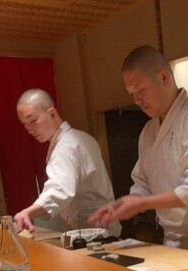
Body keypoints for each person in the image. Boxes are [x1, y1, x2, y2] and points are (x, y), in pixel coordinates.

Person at [89, 45, 188, 257]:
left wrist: (142, 203)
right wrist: (126, 204)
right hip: (170, 239)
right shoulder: (149, 131)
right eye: (132, 94)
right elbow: (142, 182)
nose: (136, 100)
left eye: (141, 90)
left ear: (164, 77)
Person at [14, 89, 121, 237]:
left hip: (95, 231)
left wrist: (28, 212)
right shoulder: (81, 137)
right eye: (25, 124)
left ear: (52, 114)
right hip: (101, 226)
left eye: (33, 121)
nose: (30, 130)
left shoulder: (66, 147)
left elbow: (60, 189)